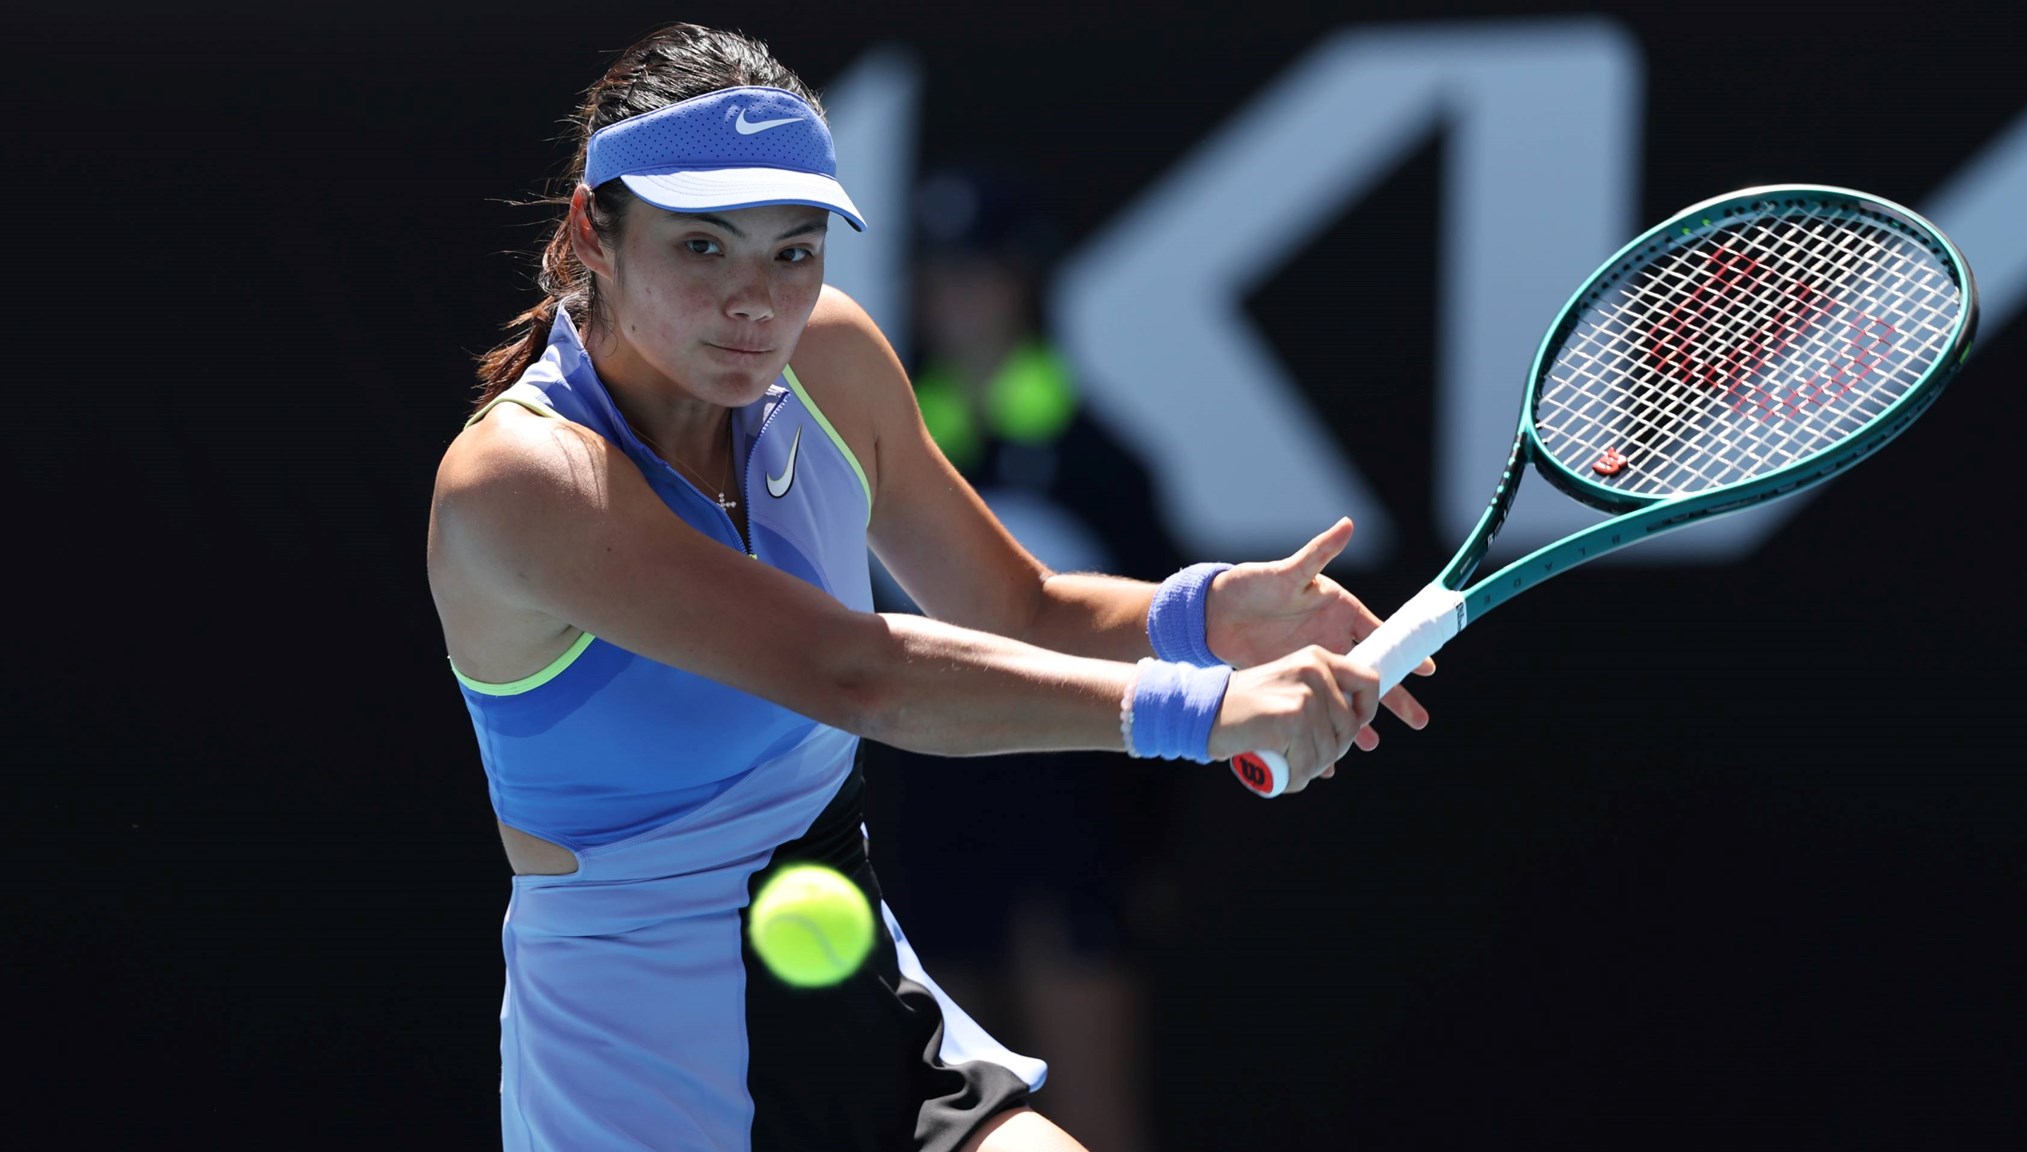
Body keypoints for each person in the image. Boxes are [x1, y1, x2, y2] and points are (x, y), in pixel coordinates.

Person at [425, 21, 1433, 1152]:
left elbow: (1018, 608)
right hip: (635, 1080)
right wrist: (1197, 712)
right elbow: (858, 674)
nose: (755, 302)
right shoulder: (520, 481)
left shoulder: (832, 362)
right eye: (702, 248)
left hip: (859, 1006)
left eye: (792, 251)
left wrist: (1196, 618)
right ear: (592, 235)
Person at [869, 162, 1189, 1152]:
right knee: (932, 1123)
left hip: (1069, 831)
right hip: (922, 829)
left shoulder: (1104, 463)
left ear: (1025, 287)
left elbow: (1162, 652)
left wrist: (1145, 845)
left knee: (1089, 1117)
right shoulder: (856, 462)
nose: (958, 300)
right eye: (938, 277)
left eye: (981, 275)